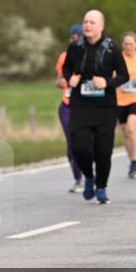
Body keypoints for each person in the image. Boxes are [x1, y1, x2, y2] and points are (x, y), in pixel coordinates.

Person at [62, 10, 129, 205]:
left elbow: (123, 75)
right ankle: (88, 176)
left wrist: (107, 82)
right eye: (85, 22)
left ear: (101, 26)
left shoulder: (111, 48)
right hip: (81, 104)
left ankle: (101, 187)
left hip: (105, 107)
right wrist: (70, 79)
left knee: (103, 150)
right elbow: (66, 68)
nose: (87, 25)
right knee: (79, 147)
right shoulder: (75, 47)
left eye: (92, 22)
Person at [55, 24, 85, 192]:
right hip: (67, 106)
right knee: (72, 145)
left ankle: (90, 175)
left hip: (85, 106)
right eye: (73, 38)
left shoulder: (90, 55)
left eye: (78, 37)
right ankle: (78, 178)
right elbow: (58, 80)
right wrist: (65, 82)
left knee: (85, 143)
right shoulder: (64, 56)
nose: (75, 40)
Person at [116, 32, 136, 179]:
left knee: (130, 127)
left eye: (131, 44)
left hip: (135, 98)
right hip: (119, 100)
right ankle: (132, 160)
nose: (128, 47)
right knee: (125, 132)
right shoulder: (118, 58)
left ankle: (134, 161)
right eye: (126, 44)